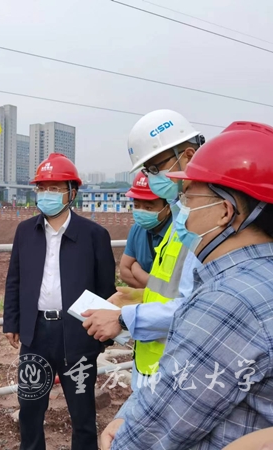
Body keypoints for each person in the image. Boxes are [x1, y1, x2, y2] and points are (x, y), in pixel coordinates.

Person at [102, 121, 273, 449]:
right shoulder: (258, 275)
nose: (183, 214)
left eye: (189, 198)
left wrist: (125, 435)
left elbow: (162, 427)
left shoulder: (227, 301)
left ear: (225, 212)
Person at [82, 110, 203, 392]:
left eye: (155, 168)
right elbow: (173, 291)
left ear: (188, 156)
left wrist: (124, 318)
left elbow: (200, 310)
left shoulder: (205, 224)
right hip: (153, 368)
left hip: (179, 375)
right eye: (146, 170)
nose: (151, 178)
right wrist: (137, 298)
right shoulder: (180, 218)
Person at [3, 153, 116, 450]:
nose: (46, 194)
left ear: (72, 192)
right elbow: (14, 279)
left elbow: (106, 288)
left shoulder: (94, 235)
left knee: (82, 414)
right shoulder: (25, 231)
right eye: (42, 188)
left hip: (77, 334)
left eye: (54, 188)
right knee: (30, 410)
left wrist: (102, 336)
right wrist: (12, 322)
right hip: (36, 334)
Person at [120, 172, 172, 288]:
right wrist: (151, 290)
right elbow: (124, 272)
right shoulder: (137, 229)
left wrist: (137, 271)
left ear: (167, 208)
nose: (141, 212)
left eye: (148, 207)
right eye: (136, 206)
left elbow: (169, 288)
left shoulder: (178, 234)